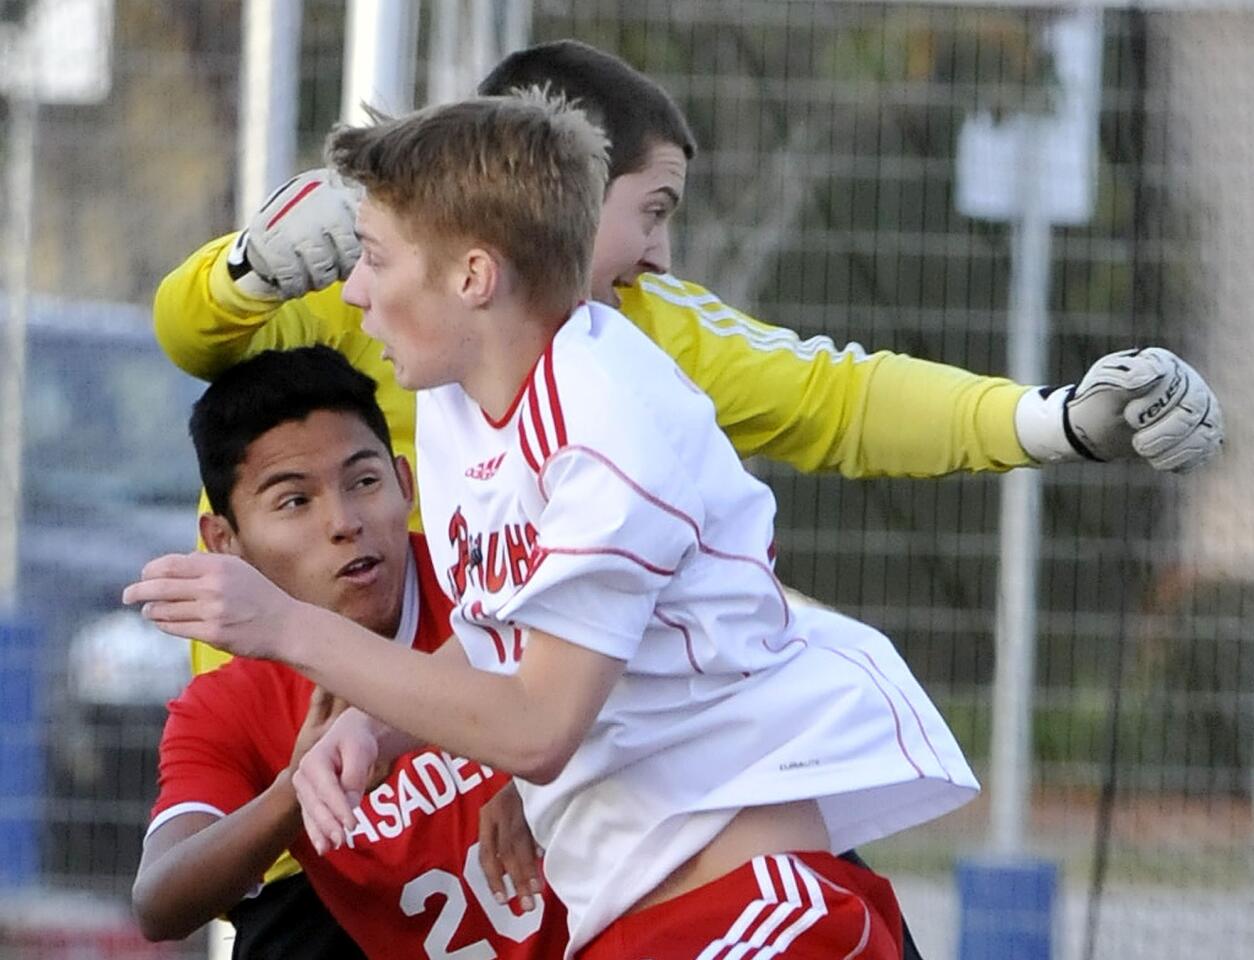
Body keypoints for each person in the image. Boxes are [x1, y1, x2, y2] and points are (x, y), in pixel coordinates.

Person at [150, 39, 1221, 956]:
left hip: (751, 909)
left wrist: (285, 626)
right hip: (628, 914)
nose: (349, 284)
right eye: (652, 209)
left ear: (476, 271)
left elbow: (534, 723)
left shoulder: (616, 408)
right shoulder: (468, 399)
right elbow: (500, 647)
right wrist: (376, 736)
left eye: (374, 256)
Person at [131, 345, 567, 959]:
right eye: (294, 501)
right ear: (224, 541)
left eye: (364, 482)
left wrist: (542, 785)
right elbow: (158, 901)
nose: (344, 521)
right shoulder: (228, 705)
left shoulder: (484, 570)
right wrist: (295, 788)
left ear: (406, 483)